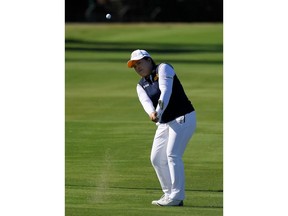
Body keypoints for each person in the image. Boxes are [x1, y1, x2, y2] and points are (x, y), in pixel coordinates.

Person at [127, 49, 196, 206]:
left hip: (183, 117)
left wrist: (158, 112)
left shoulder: (164, 68)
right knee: (157, 158)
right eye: (134, 66)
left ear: (149, 60)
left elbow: (166, 91)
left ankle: (177, 197)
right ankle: (168, 194)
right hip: (164, 122)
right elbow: (146, 103)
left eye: (139, 63)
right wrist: (152, 113)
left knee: (172, 155)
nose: (137, 67)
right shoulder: (141, 85)